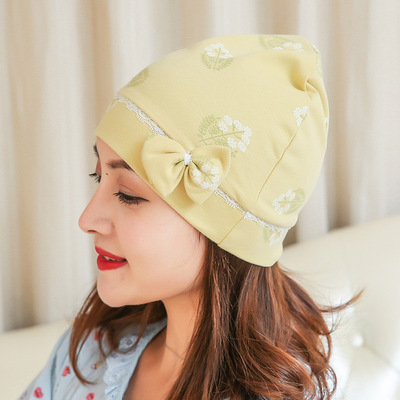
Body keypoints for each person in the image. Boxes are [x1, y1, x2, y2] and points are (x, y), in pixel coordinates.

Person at [20, 34, 345, 400]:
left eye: (128, 194)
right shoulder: (88, 352)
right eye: (98, 177)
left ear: (225, 232)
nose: (87, 219)